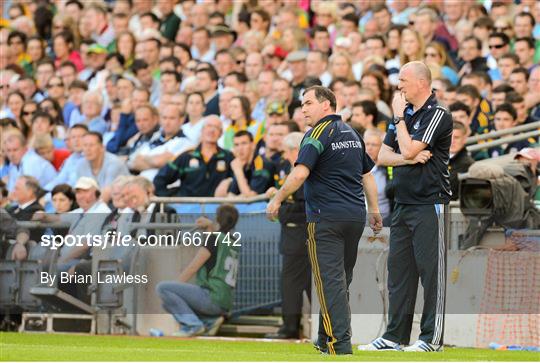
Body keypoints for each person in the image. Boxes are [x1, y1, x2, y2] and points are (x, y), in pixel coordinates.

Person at [266, 86, 382, 355]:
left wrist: (278, 198)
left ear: (326, 105)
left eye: (307, 103)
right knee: (341, 281)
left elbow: (299, 174)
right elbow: (368, 175)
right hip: (354, 216)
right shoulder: (352, 133)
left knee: (329, 283)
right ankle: (323, 337)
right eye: (302, 104)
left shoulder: (315, 134)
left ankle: (338, 344)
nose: (303, 109)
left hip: (326, 218)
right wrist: (374, 209)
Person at [359, 61, 452, 352]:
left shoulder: (438, 114)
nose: (399, 86)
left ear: (422, 83)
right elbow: (384, 157)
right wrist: (409, 158)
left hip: (430, 203)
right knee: (399, 273)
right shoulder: (404, 116)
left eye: (403, 80)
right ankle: (394, 336)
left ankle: (430, 339)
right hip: (403, 203)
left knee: (431, 274)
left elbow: (410, 146)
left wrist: (400, 122)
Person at [155, 204, 240, 337]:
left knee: (164, 289)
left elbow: (194, 266)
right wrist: (210, 226)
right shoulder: (233, 242)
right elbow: (216, 242)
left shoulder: (214, 238)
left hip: (212, 297)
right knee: (168, 303)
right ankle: (209, 322)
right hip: (225, 302)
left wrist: (176, 286)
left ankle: (192, 325)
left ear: (217, 219)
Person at [264, 132, 311, 340]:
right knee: (306, 282)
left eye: (285, 151)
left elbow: (303, 206)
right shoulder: (291, 170)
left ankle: (289, 327)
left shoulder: (303, 173)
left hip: (299, 234)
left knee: (292, 283)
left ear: (295, 151)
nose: (283, 156)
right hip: (295, 234)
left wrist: (279, 208)